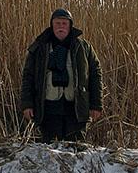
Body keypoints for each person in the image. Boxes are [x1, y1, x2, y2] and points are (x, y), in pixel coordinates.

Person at [20, 8, 103, 142]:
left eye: (64, 23)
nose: (61, 27)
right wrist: (27, 104)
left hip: (76, 109)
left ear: (70, 25)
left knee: (75, 152)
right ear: (52, 25)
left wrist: (96, 105)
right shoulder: (40, 47)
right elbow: (28, 76)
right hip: (47, 109)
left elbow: (95, 75)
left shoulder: (83, 47)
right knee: (49, 153)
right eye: (57, 23)